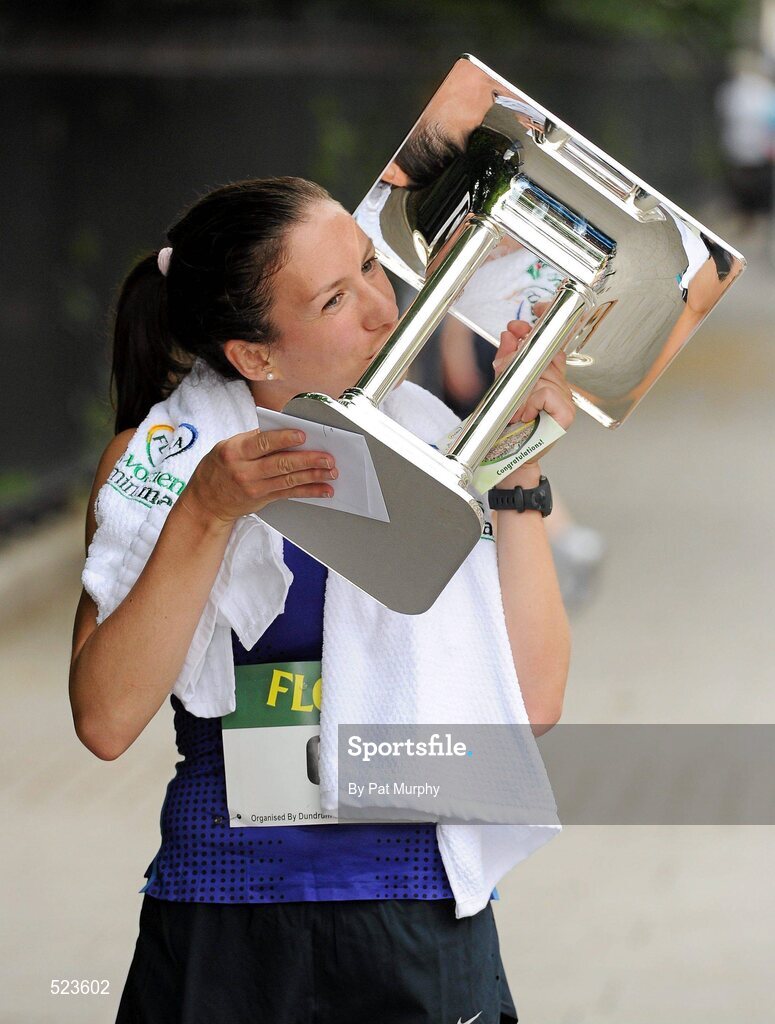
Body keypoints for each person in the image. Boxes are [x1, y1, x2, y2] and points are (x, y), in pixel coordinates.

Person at [69, 177, 575, 1024]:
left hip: (413, 900)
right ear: (253, 355)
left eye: (374, 268)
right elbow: (106, 720)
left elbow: (534, 704)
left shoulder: (445, 451)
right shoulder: (160, 458)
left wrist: (515, 473)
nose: (385, 310)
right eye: (338, 297)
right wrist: (206, 512)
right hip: (223, 903)